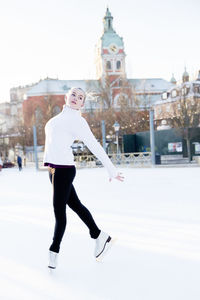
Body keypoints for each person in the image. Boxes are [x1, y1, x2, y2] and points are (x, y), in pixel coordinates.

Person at [43, 87, 124, 269]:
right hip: (54, 171)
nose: (76, 98)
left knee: (59, 212)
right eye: (73, 94)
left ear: (82, 104)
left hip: (63, 171)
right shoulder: (58, 119)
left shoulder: (78, 121)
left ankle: (53, 251)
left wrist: (111, 170)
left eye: (80, 97)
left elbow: (95, 146)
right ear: (66, 97)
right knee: (75, 205)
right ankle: (99, 235)